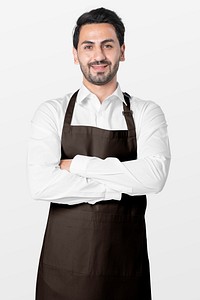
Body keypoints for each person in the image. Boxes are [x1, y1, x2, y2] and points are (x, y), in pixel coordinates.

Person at [28, 7, 171, 300]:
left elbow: (154, 178)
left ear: (122, 50)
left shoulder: (146, 111)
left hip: (124, 266)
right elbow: (41, 184)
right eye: (88, 46)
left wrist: (77, 165)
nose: (99, 55)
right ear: (75, 54)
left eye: (108, 45)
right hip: (62, 270)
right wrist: (122, 184)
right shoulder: (52, 112)